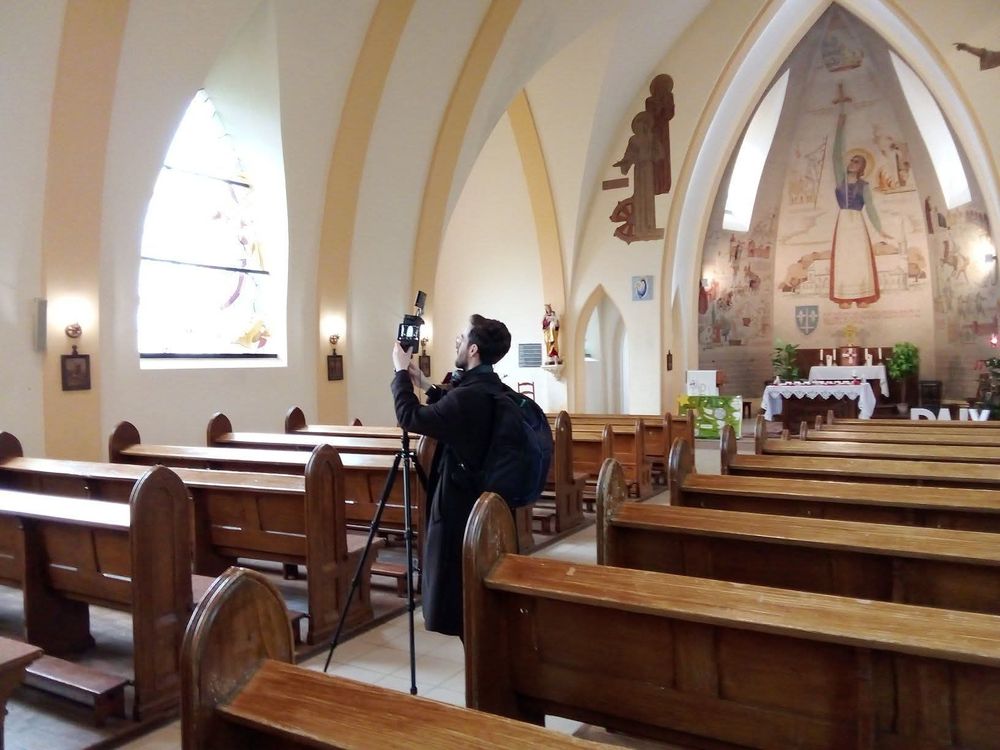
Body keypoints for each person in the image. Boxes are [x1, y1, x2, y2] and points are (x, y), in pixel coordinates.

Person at [391, 314, 511, 637]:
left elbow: (410, 417)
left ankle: (478, 661)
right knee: (473, 597)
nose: (457, 340)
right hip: (481, 499)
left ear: (473, 350)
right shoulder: (489, 386)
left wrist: (400, 374)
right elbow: (457, 407)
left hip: (460, 507)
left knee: (460, 598)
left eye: (462, 337)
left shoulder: (468, 396)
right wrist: (426, 384)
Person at [829, 107, 890, 309]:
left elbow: (870, 208)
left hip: (857, 222)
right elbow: (836, 157)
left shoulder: (864, 186)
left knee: (860, 258)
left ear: (862, 167)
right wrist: (840, 128)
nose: (852, 162)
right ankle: (844, 297)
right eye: (852, 160)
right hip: (843, 222)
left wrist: (880, 229)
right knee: (844, 258)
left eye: (856, 161)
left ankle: (863, 296)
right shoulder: (841, 180)